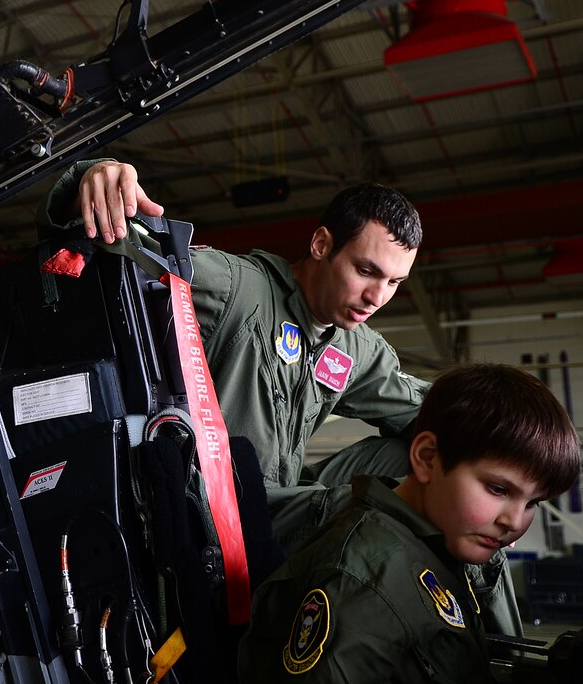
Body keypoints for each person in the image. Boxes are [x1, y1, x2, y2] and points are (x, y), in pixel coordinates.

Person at [235, 364, 583, 684]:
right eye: (499, 489)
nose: (514, 522)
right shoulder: (368, 573)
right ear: (427, 458)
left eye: (533, 503)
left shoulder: (435, 551)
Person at [40, 158, 429, 492]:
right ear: (322, 245)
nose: (377, 297)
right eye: (365, 271)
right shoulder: (235, 287)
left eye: (394, 282)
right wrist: (93, 180)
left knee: (426, 456)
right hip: (218, 511)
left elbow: (433, 413)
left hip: (285, 502)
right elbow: (119, 247)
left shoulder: (355, 348)